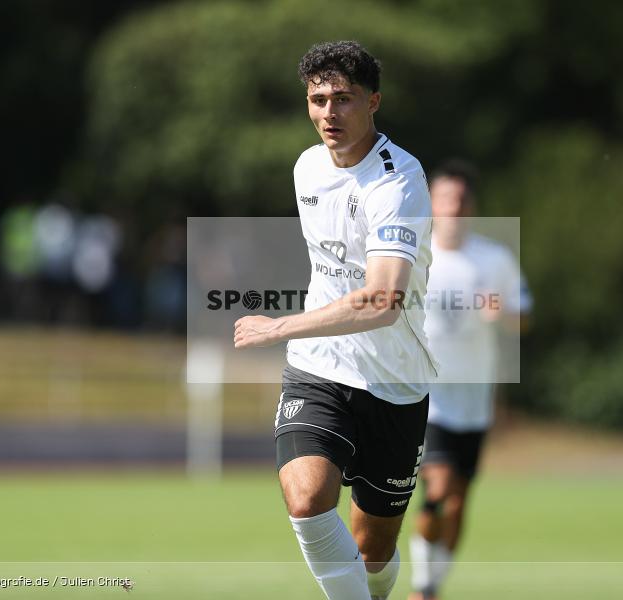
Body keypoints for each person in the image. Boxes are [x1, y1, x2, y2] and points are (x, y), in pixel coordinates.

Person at [233, 41, 436, 600]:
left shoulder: (399, 182)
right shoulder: (306, 168)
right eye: (317, 99)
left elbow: (382, 300)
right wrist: (298, 339)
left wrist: (279, 327)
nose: (328, 113)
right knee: (306, 499)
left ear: (374, 102)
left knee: (371, 553)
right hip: (318, 369)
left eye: (342, 99)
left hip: (394, 381)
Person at [408, 160, 532, 600]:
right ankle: (421, 588)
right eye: (445, 199)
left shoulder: (493, 258)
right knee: (437, 488)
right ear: (432, 205)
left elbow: (524, 316)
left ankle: (433, 585)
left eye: (461, 200)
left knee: (458, 502)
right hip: (428, 397)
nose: (453, 207)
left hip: (475, 400)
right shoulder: (416, 255)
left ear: (471, 206)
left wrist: (505, 315)